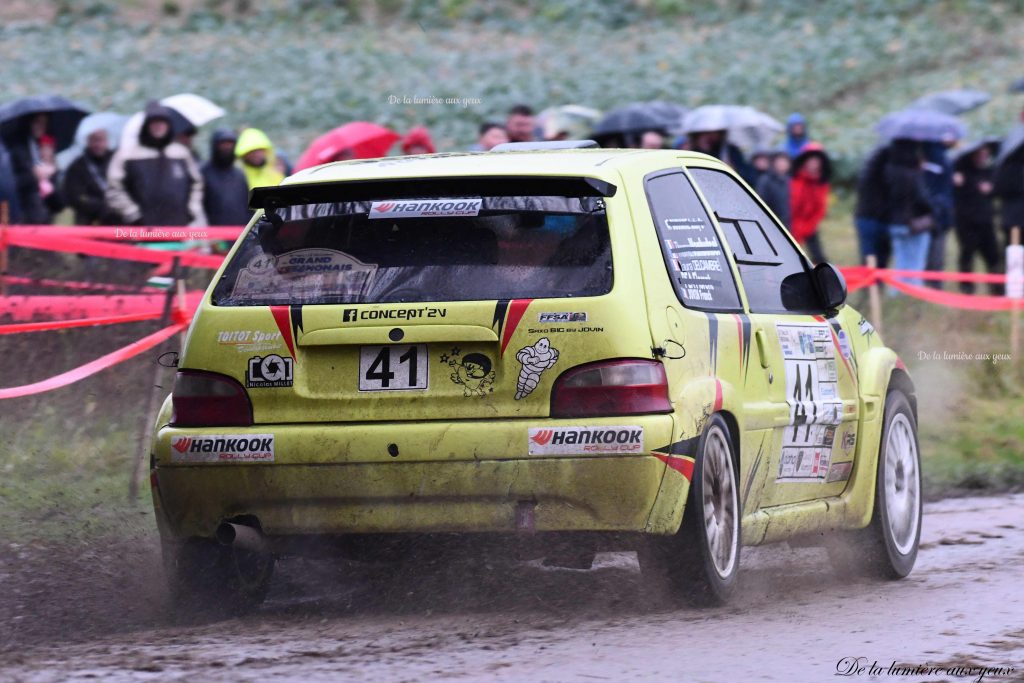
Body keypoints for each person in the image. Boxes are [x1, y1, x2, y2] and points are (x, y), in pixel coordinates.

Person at [106, 101, 206, 227]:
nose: (158, 126)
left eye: (162, 122)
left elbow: (197, 184)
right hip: (140, 231)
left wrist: (192, 211)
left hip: (179, 229)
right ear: (146, 125)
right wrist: (132, 214)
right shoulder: (127, 154)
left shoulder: (181, 153)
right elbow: (114, 188)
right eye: (154, 122)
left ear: (169, 125)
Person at [884, 138, 934, 292]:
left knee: (900, 261)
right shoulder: (913, 173)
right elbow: (922, 199)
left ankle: (896, 294)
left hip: (894, 222)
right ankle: (912, 295)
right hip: (914, 224)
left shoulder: (889, 170)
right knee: (915, 264)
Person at [952, 143, 1001, 295]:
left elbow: (998, 189)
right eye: (980, 154)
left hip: (986, 221)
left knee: (993, 256)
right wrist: (955, 179)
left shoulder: (989, 172)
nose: (983, 157)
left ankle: (997, 289)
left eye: (985, 154)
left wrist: (991, 189)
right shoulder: (960, 172)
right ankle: (967, 289)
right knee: (967, 255)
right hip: (966, 222)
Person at [7, 112, 62, 223]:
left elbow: (58, 204)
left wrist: (52, 175)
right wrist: (34, 176)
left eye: (45, 123)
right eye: (37, 122)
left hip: (44, 218)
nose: (42, 126)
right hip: (21, 219)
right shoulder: (14, 149)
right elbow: (8, 185)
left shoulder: (44, 149)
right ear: (28, 122)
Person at [62, 128, 119, 225]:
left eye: (101, 140)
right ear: (88, 141)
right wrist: (101, 206)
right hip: (88, 220)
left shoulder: (116, 161)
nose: (98, 144)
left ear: (107, 141)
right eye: (95, 140)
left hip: (116, 219)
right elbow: (75, 196)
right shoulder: (77, 166)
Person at [921, 140, 956, 288]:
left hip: (936, 213)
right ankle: (933, 286)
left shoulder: (938, 159)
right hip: (934, 214)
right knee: (933, 254)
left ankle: (932, 286)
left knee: (934, 253)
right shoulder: (937, 159)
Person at [789, 142, 830, 264]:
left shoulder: (821, 182)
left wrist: (807, 227)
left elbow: (820, 209)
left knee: (818, 257)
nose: (814, 164)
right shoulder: (794, 179)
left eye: (817, 160)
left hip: (809, 225)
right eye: (811, 160)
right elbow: (791, 205)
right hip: (791, 223)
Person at [200, 128, 250, 226]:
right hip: (213, 235)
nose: (227, 147)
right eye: (223, 143)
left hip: (239, 234)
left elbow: (247, 207)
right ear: (215, 145)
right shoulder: (203, 173)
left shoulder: (239, 174)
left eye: (230, 143)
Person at [854, 145, 892, 268]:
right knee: (876, 255)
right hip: (872, 218)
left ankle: (872, 285)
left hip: (867, 217)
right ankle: (874, 284)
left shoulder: (866, 173)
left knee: (870, 254)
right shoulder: (882, 175)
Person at [994, 140, 1024, 247]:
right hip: (1015, 217)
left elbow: (997, 190)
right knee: (1014, 248)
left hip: (1011, 217)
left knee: (1013, 248)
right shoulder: (1011, 168)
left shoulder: (1004, 167)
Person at [756, 150, 791, 229]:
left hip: (789, 225)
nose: (782, 164)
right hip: (771, 225)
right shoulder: (765, 180)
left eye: (784, 161)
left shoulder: (791, 181)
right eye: (779, 161)